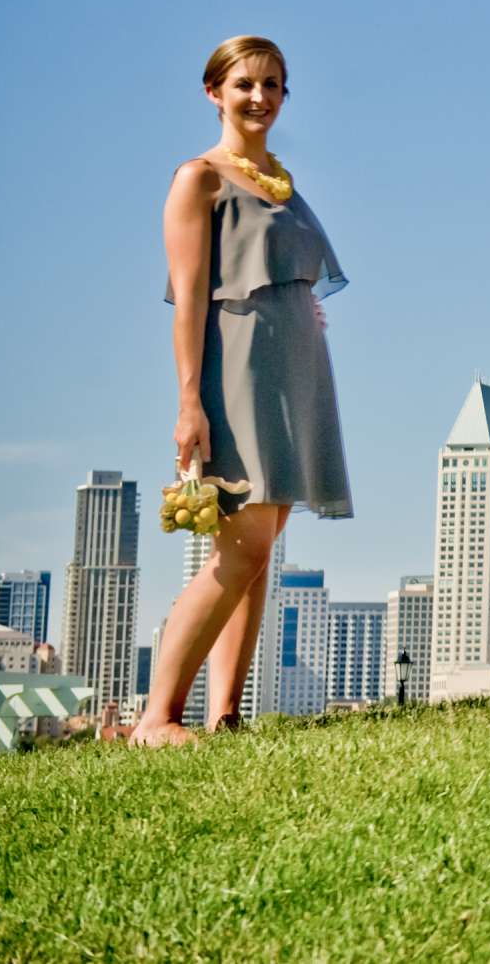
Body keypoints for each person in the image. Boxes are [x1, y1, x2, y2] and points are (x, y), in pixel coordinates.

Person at [131, 37, 350, 745]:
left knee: (261, 549)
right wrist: (189, 402)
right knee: (241, 549)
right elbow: (191, 297)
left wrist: (301, 307)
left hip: (296, 371)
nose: (260, 98)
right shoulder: (199, 179)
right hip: (237, 372)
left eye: (274, 86)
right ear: (214, 93)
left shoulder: (281, 181)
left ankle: (226, 713)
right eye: (246, 85)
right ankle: (156, 719)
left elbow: (287, 271)